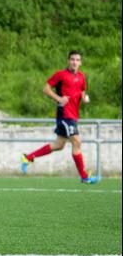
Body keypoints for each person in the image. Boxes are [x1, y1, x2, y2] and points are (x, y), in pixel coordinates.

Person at [20, 50, 100, 184]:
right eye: (72, 59)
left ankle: (28, 157)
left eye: (77, 60)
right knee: (77, 141)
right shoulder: (60, 75)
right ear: (68, 60)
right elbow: (45, 89)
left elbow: (82, 92)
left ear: (81, 62)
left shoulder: (81, 77)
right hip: (64, 114)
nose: (74, 62)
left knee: (59, 145)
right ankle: (84, 176)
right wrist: (59, 98)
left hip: (73, 115)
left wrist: (84, 98)